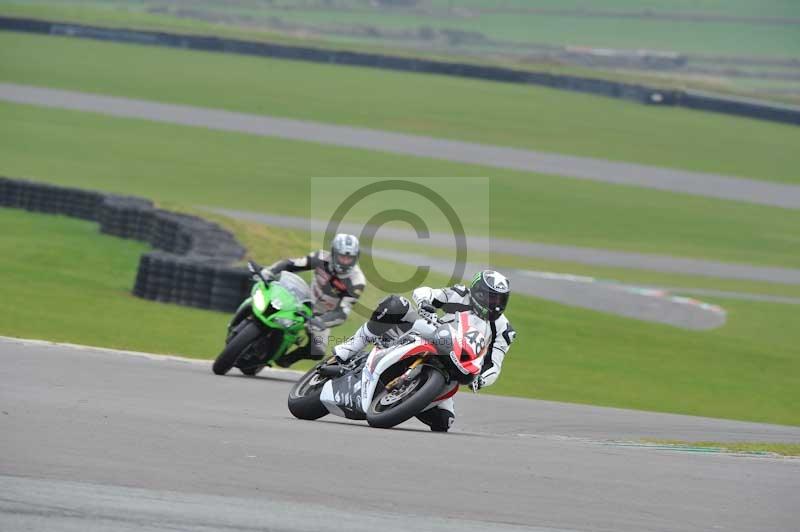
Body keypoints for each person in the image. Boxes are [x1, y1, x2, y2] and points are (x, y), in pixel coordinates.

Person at [333, 270, 515, 432]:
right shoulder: (460, 294)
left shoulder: (503, 329)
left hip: (457, 362)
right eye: (492, 298)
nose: (496, 304)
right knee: (396, 304)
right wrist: (425, 304)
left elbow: (494, 365)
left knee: (444, 422)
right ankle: (351, 347)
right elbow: (425, 292)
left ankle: (408, 399)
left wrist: (482, 379)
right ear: (478, 292)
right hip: (435, 334)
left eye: (500, 299)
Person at [265, 233, 365, 367]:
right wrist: (269, 272)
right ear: (334, 253)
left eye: (349, 258)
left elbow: (342, 313)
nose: (345, 261)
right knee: (272, 308)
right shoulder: (320, 257)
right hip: (301, 300)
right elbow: (291, 264)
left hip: (322, 315)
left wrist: (322, 321)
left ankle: (285, 360)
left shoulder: (357, 282)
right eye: (342, 256)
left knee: (317, 351)